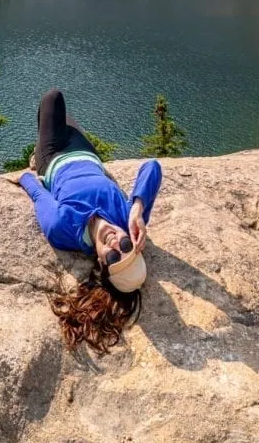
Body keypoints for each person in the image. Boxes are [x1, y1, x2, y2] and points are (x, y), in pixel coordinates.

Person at [13, 88, 162, 354]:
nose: (117, 243)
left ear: (102, 263)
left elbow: (38, 195)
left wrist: (24, 177)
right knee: (65, 117)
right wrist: (138, 208)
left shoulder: (63, 229)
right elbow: (152, 166)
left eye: (114, 258)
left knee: (52, 99)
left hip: (53, 157)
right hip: (86, 153)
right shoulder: (126, 220)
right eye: (126, 247)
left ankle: (37, 155)